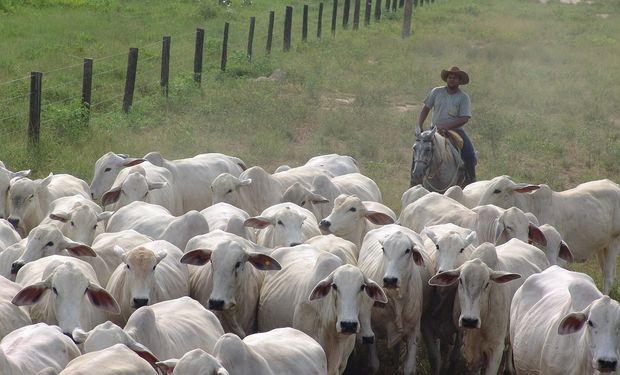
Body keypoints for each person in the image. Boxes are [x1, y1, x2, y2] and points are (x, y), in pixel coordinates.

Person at [416, 66, 476, 185]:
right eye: (450, 77)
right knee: (419, 150)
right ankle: (414, 180)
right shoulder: (436, 92)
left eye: (455, 78)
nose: (452, 80)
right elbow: (426, 108)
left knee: (470, 154)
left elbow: (465, 118)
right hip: (434, 130)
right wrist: (419, 125)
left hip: (455, 131)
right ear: (446, 79)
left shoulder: (463, 97)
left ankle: (470, 180)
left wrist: (447, 127)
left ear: (459, 81)